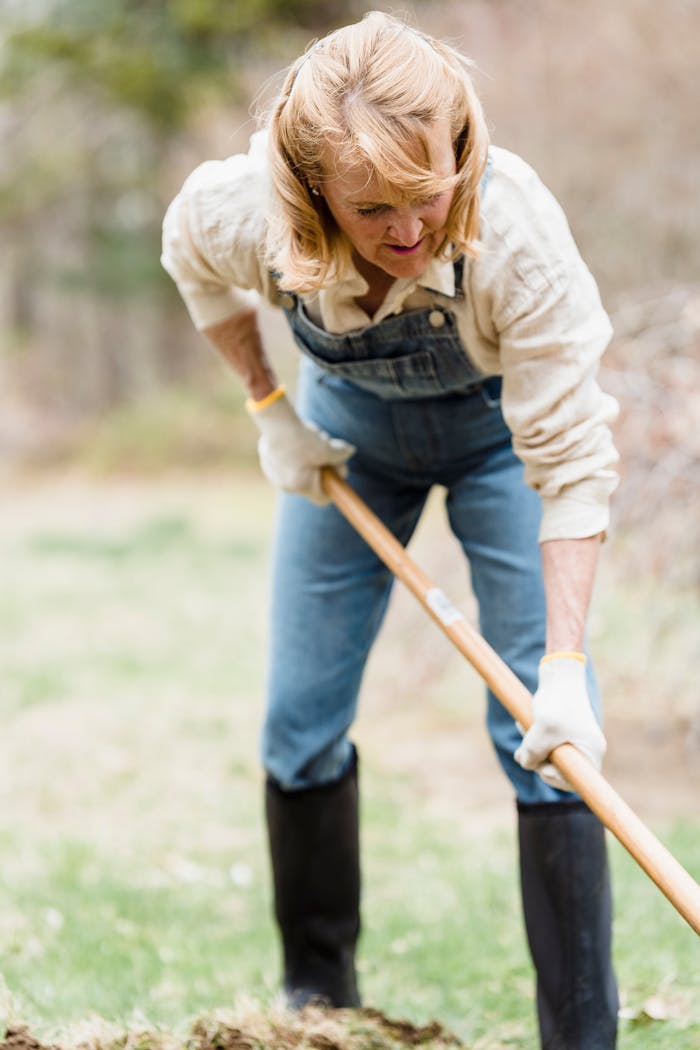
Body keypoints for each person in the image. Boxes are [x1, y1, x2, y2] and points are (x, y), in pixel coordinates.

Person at [161, 11, 620, 1048]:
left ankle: (582, 1036)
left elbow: (573, 465)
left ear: (460, 153)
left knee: (548, 742)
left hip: (499, 440)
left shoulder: (515, 235)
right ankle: (317, 1007)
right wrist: (269, 409)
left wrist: (560, 665)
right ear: (313, 193)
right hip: (345, 440)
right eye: (372, 211)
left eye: (427, 196)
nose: (408, 232)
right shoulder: (247, 213)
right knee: (298, 723)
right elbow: (190, 263)